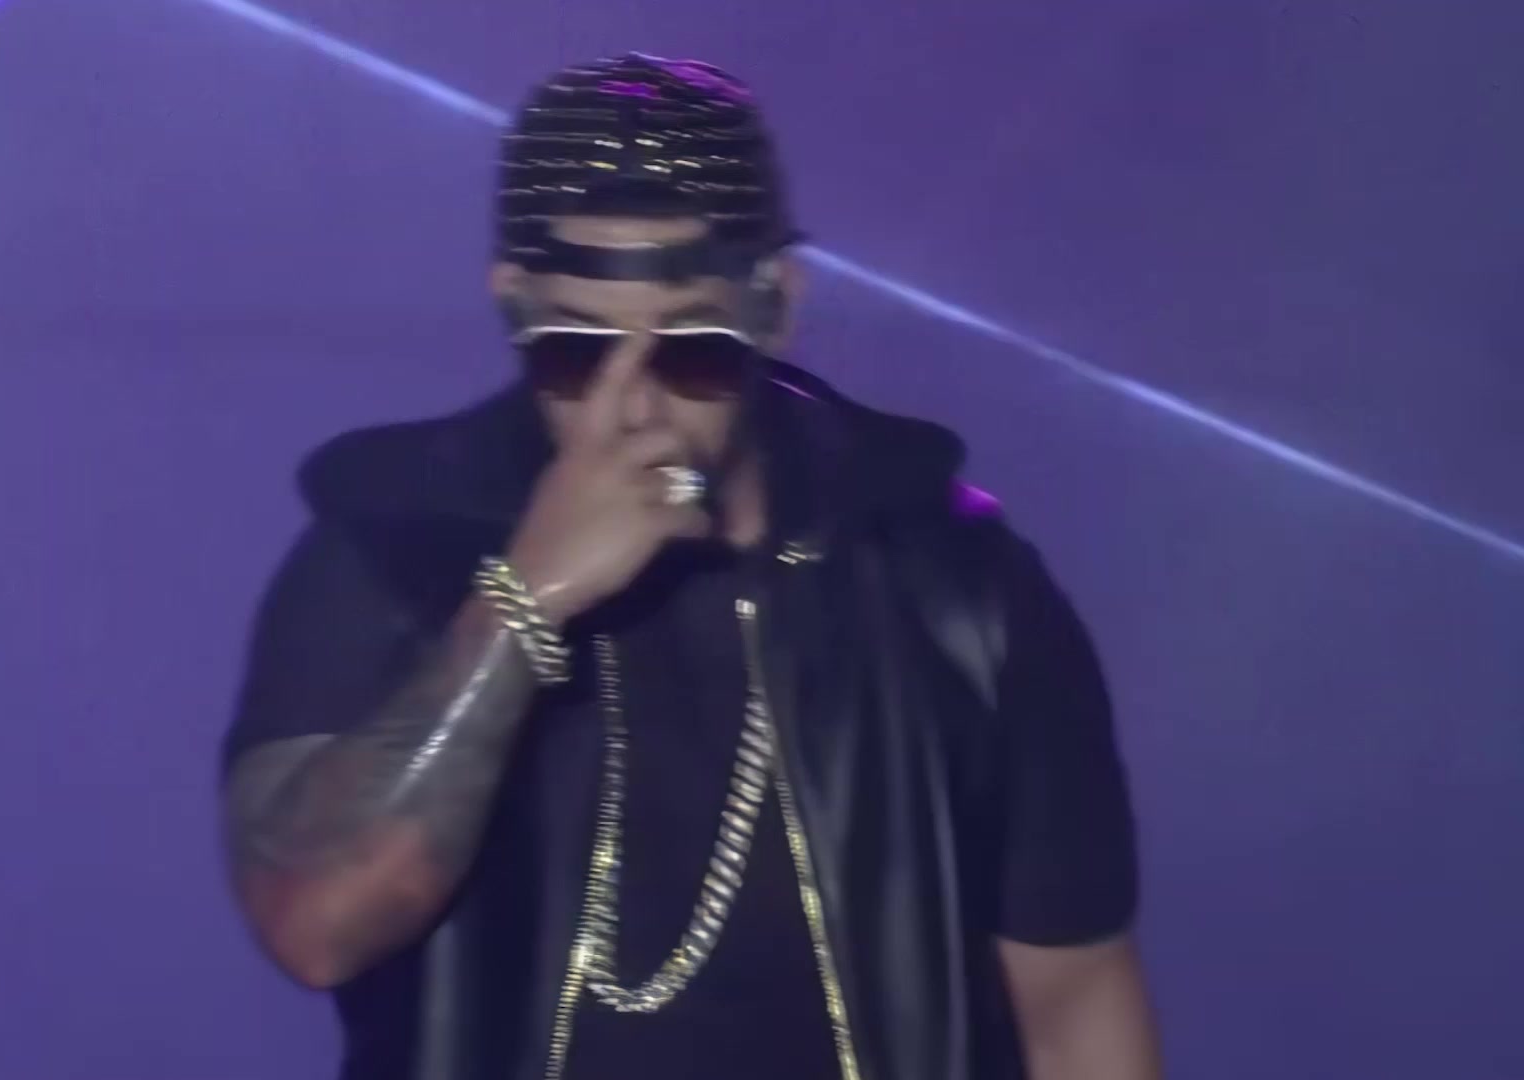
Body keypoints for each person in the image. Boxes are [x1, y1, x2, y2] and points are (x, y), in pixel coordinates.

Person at [219, 52, 1161, 1080]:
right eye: (577, 352)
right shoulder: (392, 548)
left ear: (776, 307)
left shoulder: (952, 587)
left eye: (691, 351)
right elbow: (314, 925)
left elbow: (1073, 1008)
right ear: (513, 306)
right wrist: (525, 599)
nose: (633, 407)